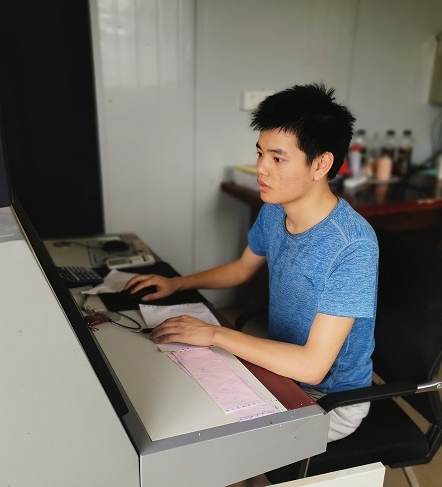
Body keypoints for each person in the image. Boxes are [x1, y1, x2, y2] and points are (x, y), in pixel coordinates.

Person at [126, 83, 378, 482]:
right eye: (260, 153)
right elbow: (241, 269)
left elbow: (313, 367)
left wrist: (214, 334)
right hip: (280, 371)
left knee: (207, 448)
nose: (261, 168)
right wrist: (177, 284)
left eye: (277, 158)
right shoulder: (276, 210)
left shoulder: (352, 246)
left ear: (320, 165)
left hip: (329, 398)